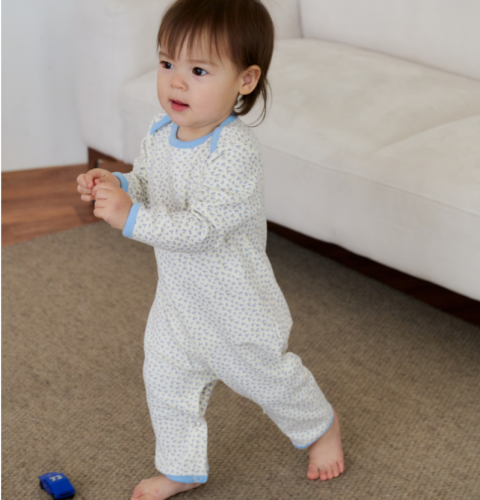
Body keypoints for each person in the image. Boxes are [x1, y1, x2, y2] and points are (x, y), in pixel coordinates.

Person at [76, 0, 344, 498]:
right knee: (165, 378)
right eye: (167, 63)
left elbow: (202, 230)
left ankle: (320, 426)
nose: (176, 82)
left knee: (268, 379)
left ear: (245, 80)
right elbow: (149, 184)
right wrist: (117, 184)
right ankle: (181, 467)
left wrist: (129, 218)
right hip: (179, 301)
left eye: (198, 71)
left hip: (235, 308)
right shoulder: (161, 132)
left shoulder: (234, 152)